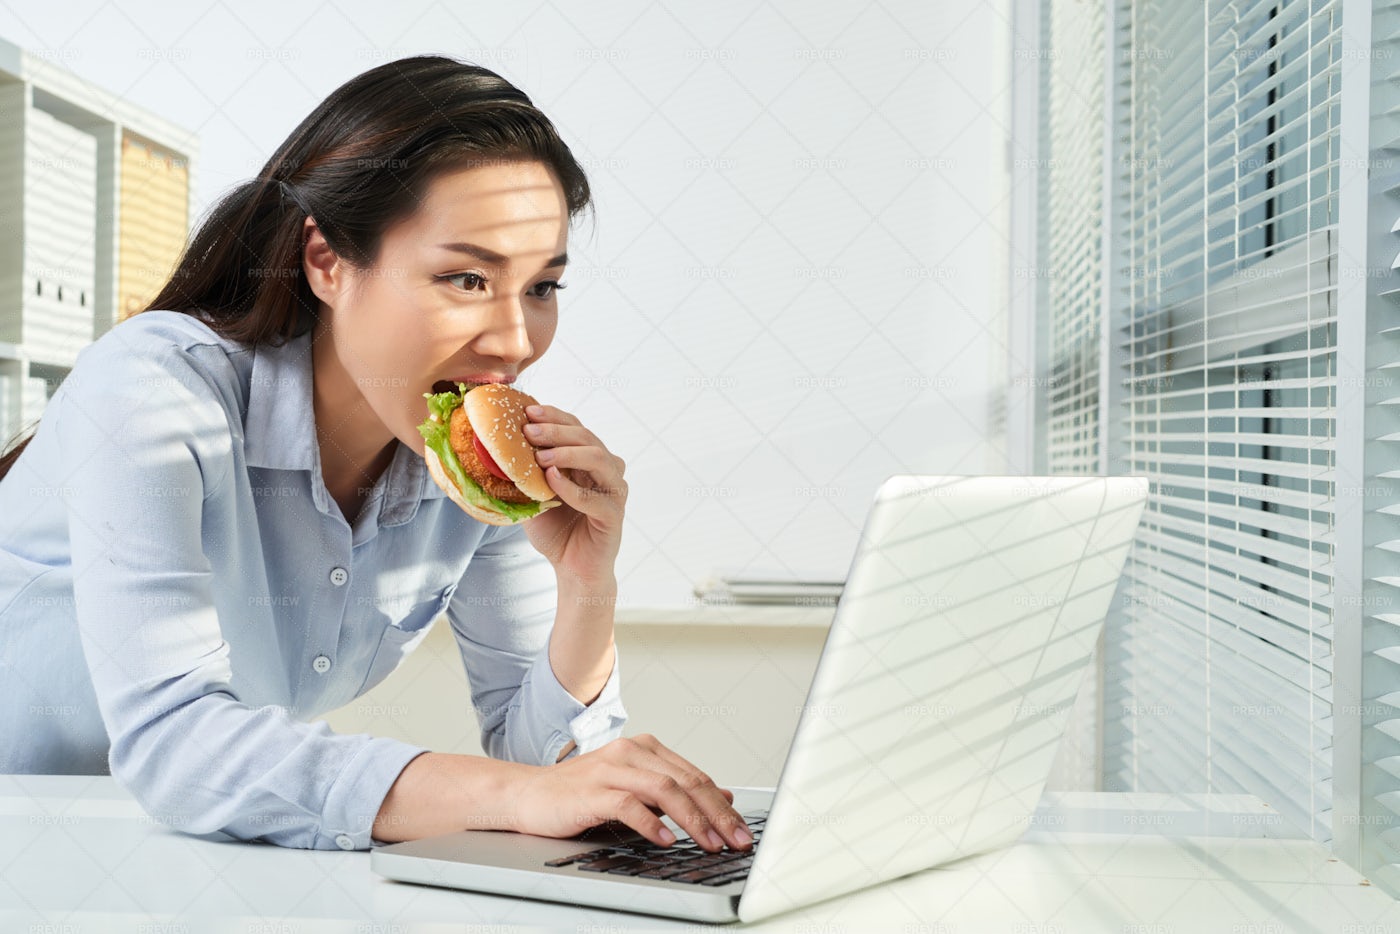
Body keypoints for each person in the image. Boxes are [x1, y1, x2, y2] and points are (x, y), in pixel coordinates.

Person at [0, 55, 752, 856]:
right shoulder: (155, 388)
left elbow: (543, 761)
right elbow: (175, 743)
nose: (515, 341)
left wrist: (585, 581)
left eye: (542, 288)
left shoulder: (468, 462)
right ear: (326, 261)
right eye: (465, 278)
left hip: (173, 849)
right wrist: (522, 793)